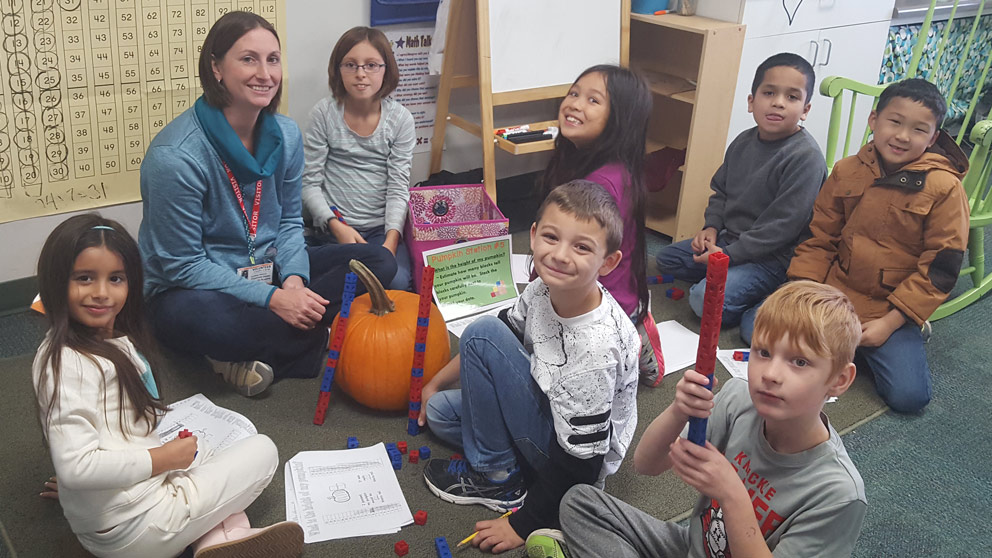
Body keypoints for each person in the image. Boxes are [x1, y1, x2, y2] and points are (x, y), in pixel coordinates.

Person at [139, 12, 396, 397]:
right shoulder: (174, 157)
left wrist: (294, 281)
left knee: (378, 261)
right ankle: (313, 340)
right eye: (248, 59)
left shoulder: (287, 135)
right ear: (216, 68)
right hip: (196, 289)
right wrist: (274, 299)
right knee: (196, 320)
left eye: (273, 59)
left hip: (268, 269)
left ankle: (248, 350)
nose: (265, 74)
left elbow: (291, 222)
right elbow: (183, 265)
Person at [529, 281, 866, 558]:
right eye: (763, 353)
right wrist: (679, 409)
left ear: (839, 380)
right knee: (579, 502)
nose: (772, 374)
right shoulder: (738, 398)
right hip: (690, 546)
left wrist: (732, 494)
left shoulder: (838, 494)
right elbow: (647, 464)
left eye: (800, 363)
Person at [33, 214, 302, 558]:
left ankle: (219, 543)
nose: (101, 293)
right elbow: (77, 468)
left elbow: (78, 458)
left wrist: (80, 491)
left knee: (202, 447)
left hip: (115, 509)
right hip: (139, 527)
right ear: (56, 282)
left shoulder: (71, 347)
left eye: (115, 278)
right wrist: (160, 459)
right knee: (263, 450)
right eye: (85, 278)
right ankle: (227, 535)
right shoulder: (70, 364)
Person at [418, 181, 640, 553]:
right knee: (441, 412)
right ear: (534, 236)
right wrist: (434, 384)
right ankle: (509, 463)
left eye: (582, 247)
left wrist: (524, 524)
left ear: (608, 262)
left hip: (575, 461)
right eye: (552, 237)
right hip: (548, 406)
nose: (560, 255)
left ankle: (498, 478)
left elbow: (584, 466)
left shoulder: (595, 350)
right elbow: (506, 333)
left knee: (481, 332)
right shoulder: (542, 289)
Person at [788, 78, 970, 414]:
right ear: (874, 120)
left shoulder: (945, 188)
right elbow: (820, 238)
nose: (902, 136)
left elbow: (941, 268)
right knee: (754, 330)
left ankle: (899, 331)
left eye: (918, 129)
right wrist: (804, 292)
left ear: (933, 138)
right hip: (836, 294)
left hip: (890, 307)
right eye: (895, 122)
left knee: (908, 397)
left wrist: (892, 322)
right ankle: (849, 344)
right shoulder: (846, 170)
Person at [654, 53, 827, 344]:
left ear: (805, 109)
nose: (778, 102)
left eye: (792, 97)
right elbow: (721, 191)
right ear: (751, 102)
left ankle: (769, 295)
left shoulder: (805, 157)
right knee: (667, 259)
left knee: (701, 300)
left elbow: (780, 229)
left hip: (772, 259)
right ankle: (734, 285)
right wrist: (710, 228)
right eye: (769, 93)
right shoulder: (743, 142)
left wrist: (726, 257)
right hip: (730, 240)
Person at [540, 64, 660, 387]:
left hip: (606, 306)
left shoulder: (603, 185)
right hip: (601, 292)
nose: (575, 104)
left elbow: (573, 261)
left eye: (593, 101)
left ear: (620, 119)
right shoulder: (588, 163)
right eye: (574, 93)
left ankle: (632, 340)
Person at [301, 26, 416, 292]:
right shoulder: (324, 114)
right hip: (332, 229)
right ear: (338, 69)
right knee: (303, 273)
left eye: (372, 65)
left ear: (386, 69)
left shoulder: (400, 120)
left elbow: (399, 188)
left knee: (396, 281)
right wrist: (335, 225)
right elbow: (309, 184)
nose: (361, 73)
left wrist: (390, 242)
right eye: (350, 64)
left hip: (380, 231)